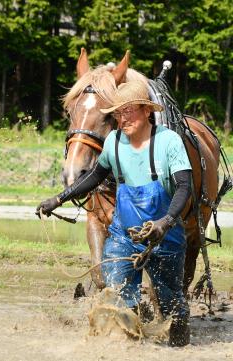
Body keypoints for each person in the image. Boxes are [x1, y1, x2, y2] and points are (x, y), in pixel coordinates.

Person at [36, 80, 192, 346]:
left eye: (128, 111)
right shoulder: (114, 141)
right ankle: (126, 348)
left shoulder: (169, 142)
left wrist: (164, 223)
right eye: (118, 113)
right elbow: (96, 176)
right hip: (124, 235)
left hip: (165, 238)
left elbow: (184, 186)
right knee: (118, 295)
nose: (122, 118)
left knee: (171, 305)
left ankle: (180, 349)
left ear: (146, 111)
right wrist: (59, 198)